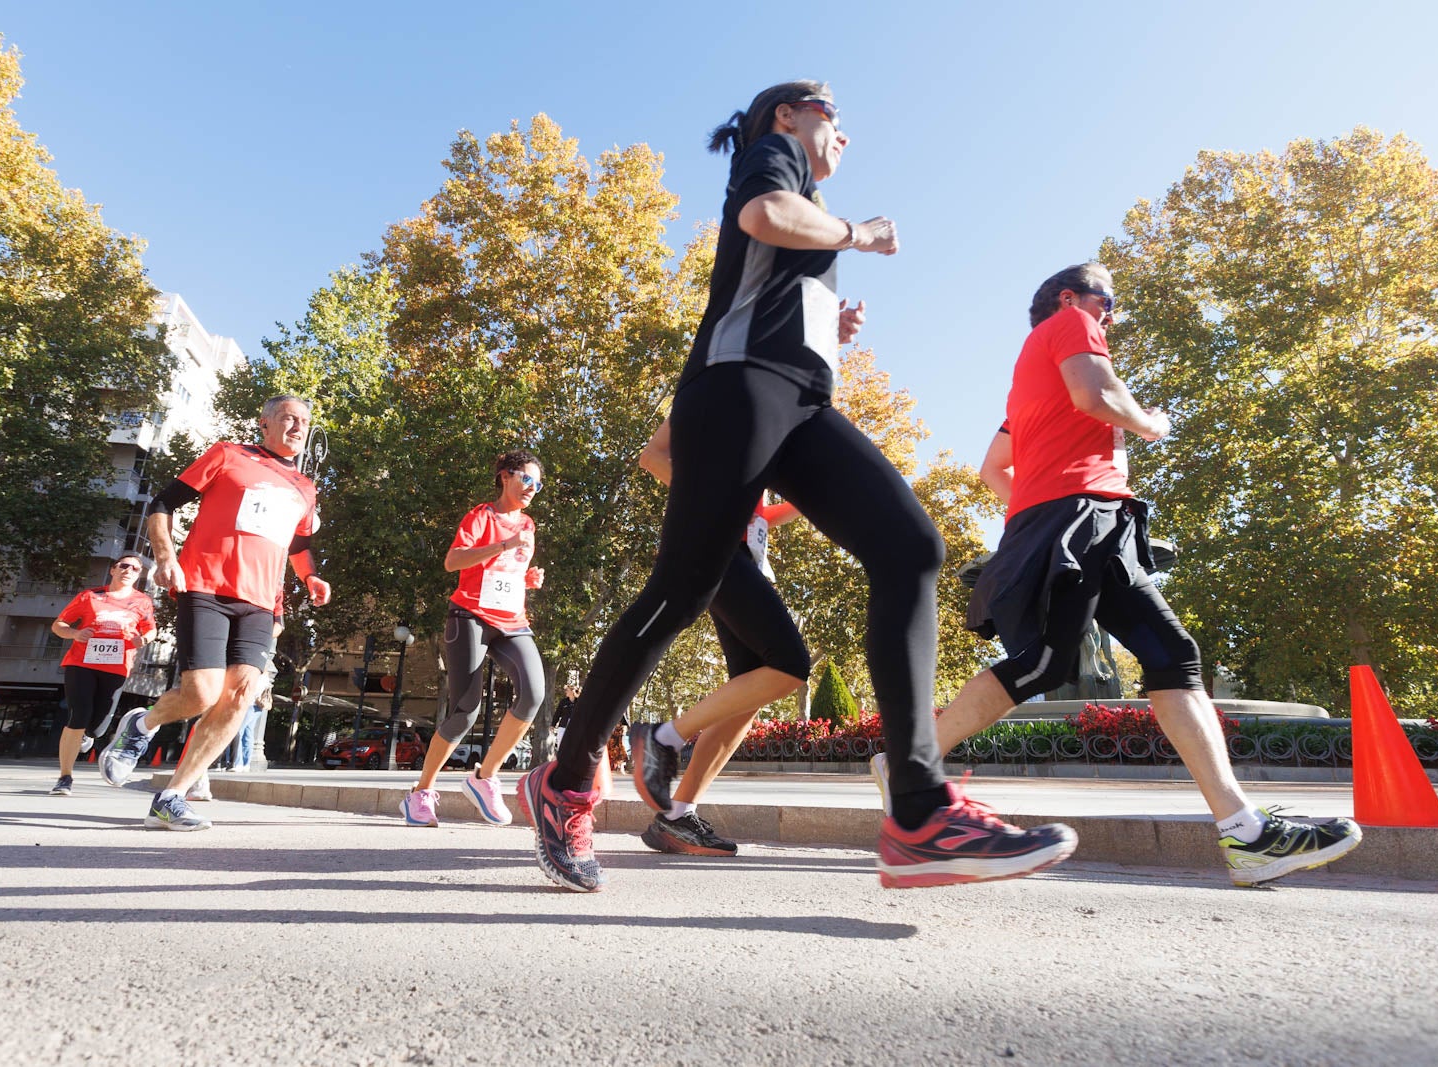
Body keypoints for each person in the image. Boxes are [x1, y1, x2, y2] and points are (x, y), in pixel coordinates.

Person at [517, 81, 1076, 893]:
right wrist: (860, 233)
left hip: (800, 401)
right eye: (831, 113)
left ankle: (920, 812)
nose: (843, 130)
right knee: (681, 589)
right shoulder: (772, 158)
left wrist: (827, 324)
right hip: (735, 391)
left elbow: (772, 272)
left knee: (912, 544)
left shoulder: (804, 203)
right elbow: (761, 218)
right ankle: (565, 781)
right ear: (788, 115)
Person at [876, 262, 1362, 886]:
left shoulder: (1029, 380)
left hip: (1084, 515)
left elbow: (994, 469)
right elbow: (1096, 396)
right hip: (1081, 512)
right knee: (1051, 662)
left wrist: (1036, 507)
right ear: (1071, 296)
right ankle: (907, 765)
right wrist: (1150, 423)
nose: (1112, 317)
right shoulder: (1070, 323)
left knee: (1168, 656)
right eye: (1108, 302)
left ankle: (1246, 834)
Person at [98, 395, 330, 830]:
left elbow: (298, 545)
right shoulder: (229, 455)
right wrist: (166, 557)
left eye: (304, 422)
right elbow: (163, 504)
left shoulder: (305, 488)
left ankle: (172, 796)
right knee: (201, 695)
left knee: (241, 695)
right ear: (264, 424)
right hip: (205, 585)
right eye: (287, 419)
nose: (297, 427)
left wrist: (310, 578)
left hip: (262, 601)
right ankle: (141, 724)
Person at [628, 418, 810, 855]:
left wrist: (816, 501)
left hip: (749, 561)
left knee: (748, 697)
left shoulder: (775, 413)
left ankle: (676, 817)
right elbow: (652, 456)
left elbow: (761, 515)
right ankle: (663, 738)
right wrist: (719, 500)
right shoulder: (721, 388)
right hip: (716, 548)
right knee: (788, 664)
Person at [401, 450, 547, 827]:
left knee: (534, 693)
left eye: (538, 483)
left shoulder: (528, 525)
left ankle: (484, 777)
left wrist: (528, 580)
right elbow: (454, 561)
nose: (532, 488)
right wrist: (502, 545)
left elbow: (511, 570)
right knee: (466, 708)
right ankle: (421, 794)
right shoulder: (481, 516)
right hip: (470, 616)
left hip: (512, 621)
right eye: (526, 479)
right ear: (505, 477)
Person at [48, 553, 157, 796]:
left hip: (116, 667)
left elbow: (151, 630)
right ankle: (65, 777)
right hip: (81, 663)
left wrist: (143, 639)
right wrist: (75, 634)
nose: (128, 570)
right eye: (124, 566)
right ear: (113, 569)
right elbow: (59, 625)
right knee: (78, 715)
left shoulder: (142, 601)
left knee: (97, 727)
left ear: (139, 575)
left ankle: (87, 736)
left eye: (135, 569)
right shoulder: (90, 596)